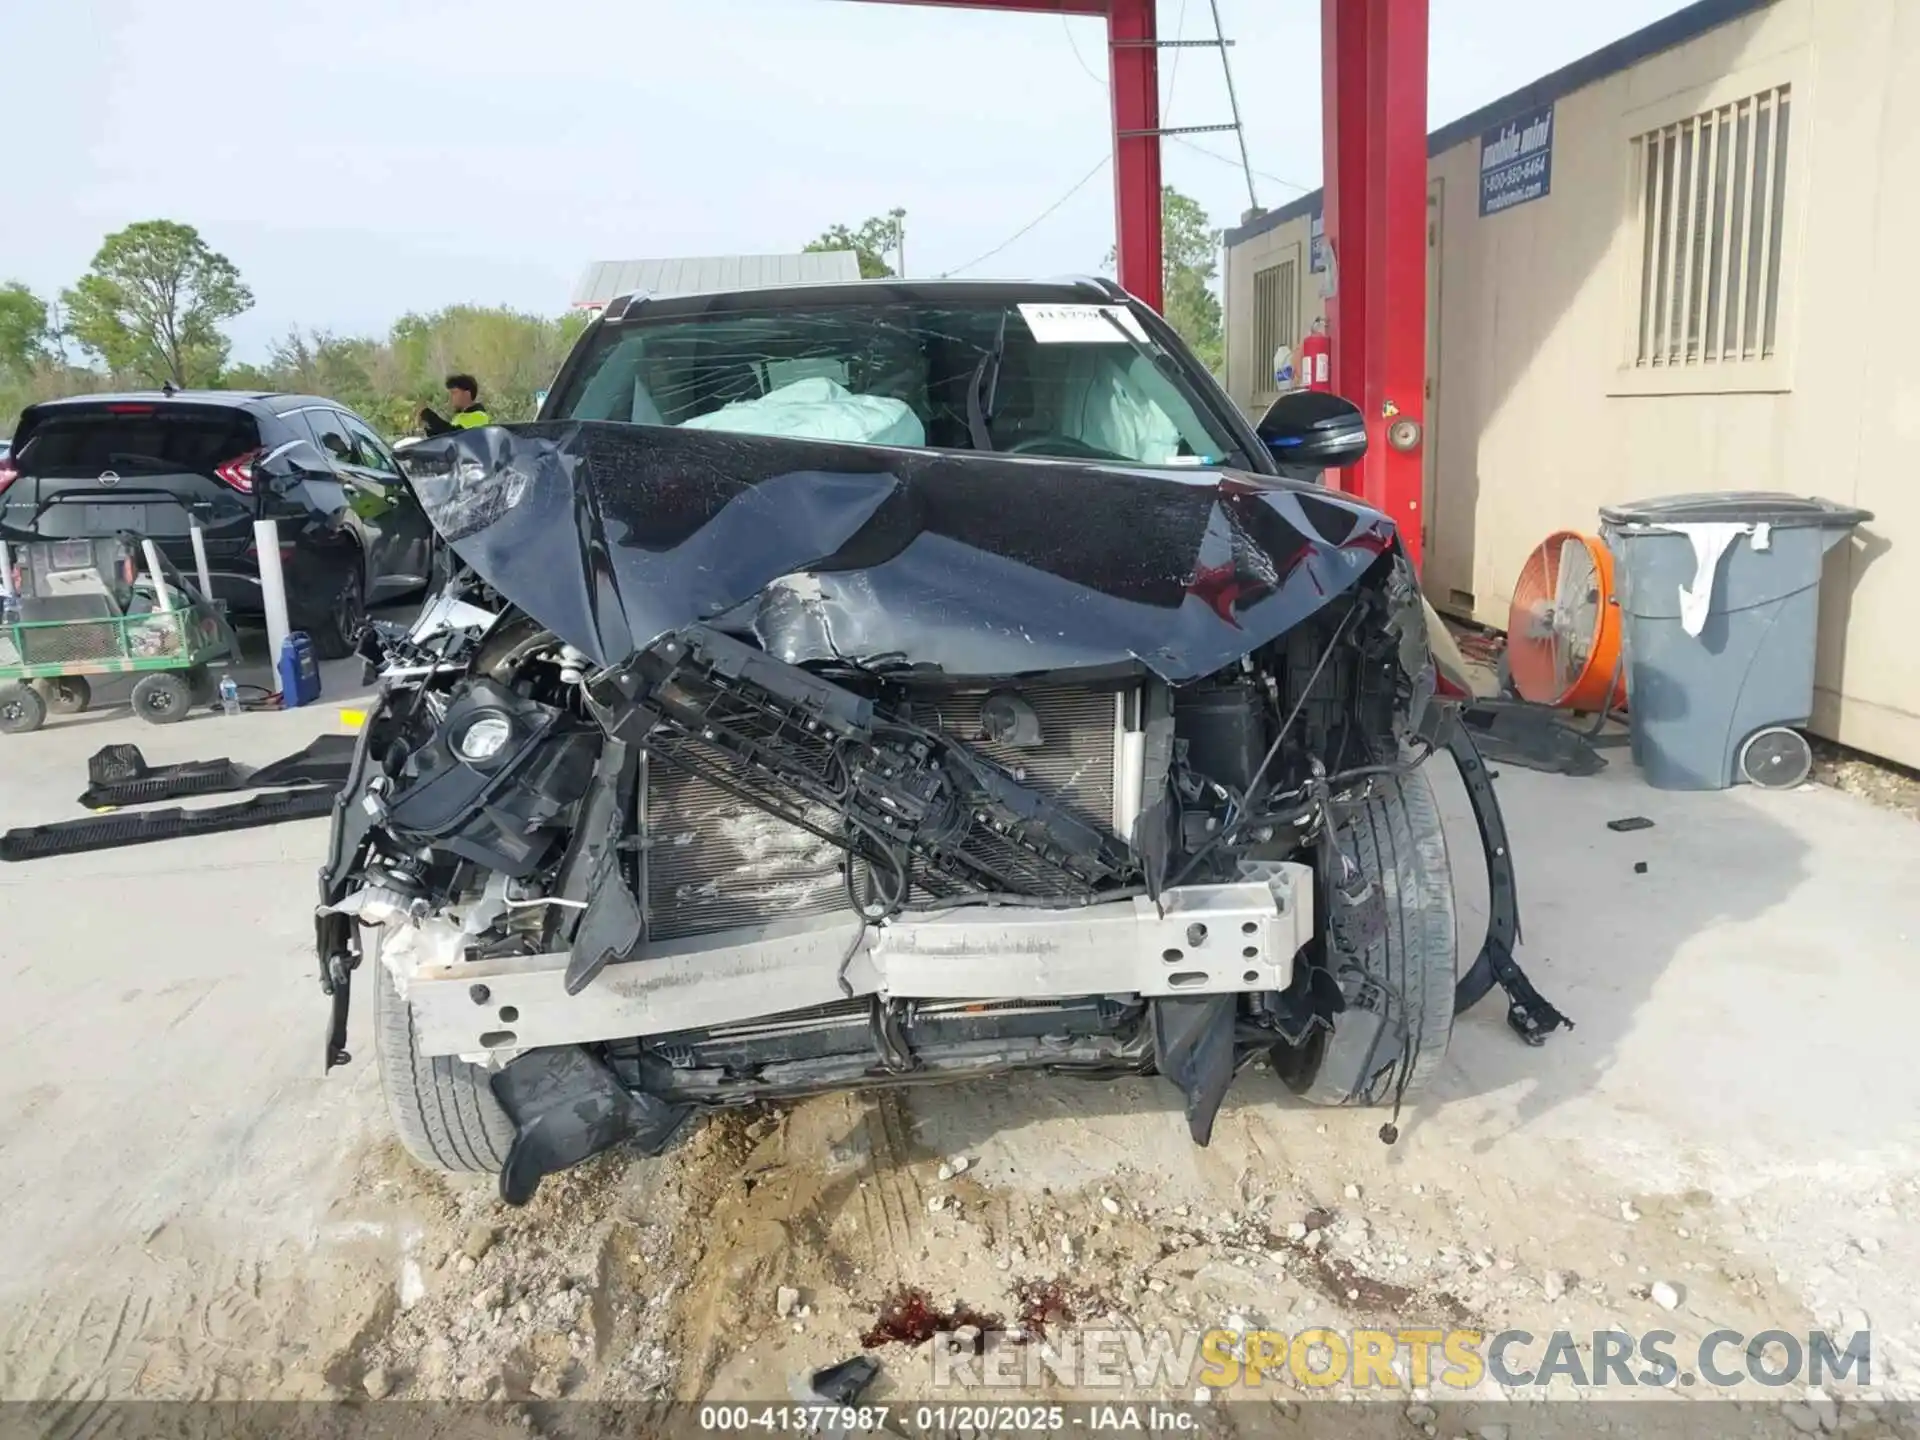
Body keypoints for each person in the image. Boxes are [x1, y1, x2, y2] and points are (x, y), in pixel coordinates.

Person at [418, 374, 493, 436]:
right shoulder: (458, 417)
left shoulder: (480, 416)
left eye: (454, 393)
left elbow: (455, 435)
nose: (451, 397)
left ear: (467, 394)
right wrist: (427, 430)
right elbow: (444, 436)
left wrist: (428, 415)